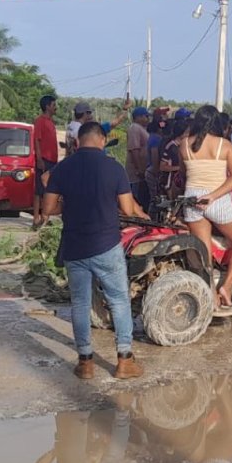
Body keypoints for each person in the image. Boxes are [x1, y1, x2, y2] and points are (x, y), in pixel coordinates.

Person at [42, 121, 147, 380]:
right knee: (119, 300)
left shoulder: (63, 168)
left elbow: (48, 209)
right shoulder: (114, 167)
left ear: (77, 141)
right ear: (102, 140)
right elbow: (128, 209)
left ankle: (85, 363)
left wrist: (68, 206)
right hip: (107, 245)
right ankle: (124, 361)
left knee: (79, 303)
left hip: (75, 247)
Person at [179, 106, 232, 307]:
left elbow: (183, 174)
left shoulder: (183, 144)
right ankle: (226, 287)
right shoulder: (224, 145)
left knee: (204, 253)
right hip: (217, 200)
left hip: (191, 200)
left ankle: (210, 294)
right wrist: (213, 195)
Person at [33, 95, 60, 229]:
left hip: (52, 160)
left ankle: (45, 217)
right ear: (48, 106)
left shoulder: (51, 122)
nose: (56, 107)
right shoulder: (40, 121)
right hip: (44, 160)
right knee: (39, 190)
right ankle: (36, 219)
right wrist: (39, 159)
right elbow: (37, 140)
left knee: (48, 189)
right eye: (54, 105)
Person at [126, 107, 151, 209]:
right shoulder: (134, 128)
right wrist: (139, 169)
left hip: (142, 172)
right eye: (146, 116)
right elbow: (134, 149)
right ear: (139, 117)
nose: (147, 119)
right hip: (136, 174)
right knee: (137, 201)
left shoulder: (141, 129)